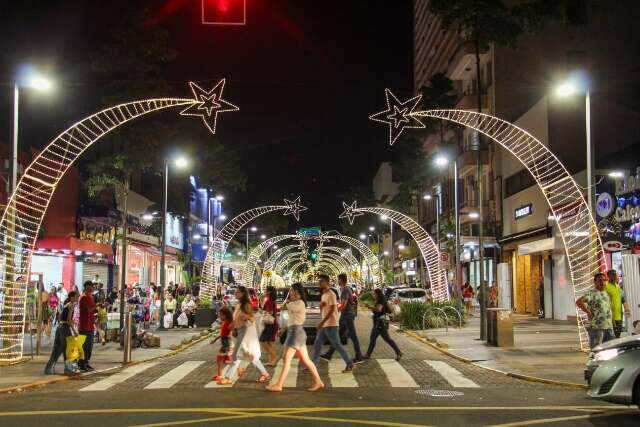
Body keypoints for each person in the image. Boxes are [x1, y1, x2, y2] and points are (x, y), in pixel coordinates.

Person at [266, 282, 324, 392]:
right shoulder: (295, 303)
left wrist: (288, 301)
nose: (290, 293)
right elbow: (289, 316)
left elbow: (283, 307)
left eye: (291, 291)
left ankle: (279, 384)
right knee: (305, 360)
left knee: (286, 359)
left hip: (296, 334)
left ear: (296, 292)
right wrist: (283, 330)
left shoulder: (299, 303)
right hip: (295, 332)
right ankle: (318, 381)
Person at [218, 286, 270, 385]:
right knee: (248, 355)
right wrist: (234, 326)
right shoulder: (239, 304)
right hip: (242, 331)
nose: (235, 294)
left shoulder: (246, 305)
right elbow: (236, 318)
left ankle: (228, 377)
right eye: (235, 292)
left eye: (237, 292)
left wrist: (246, 317)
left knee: (237, 355)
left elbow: (252, 318)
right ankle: (264, 373)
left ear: (243, 294)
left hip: (247, 332)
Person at [312, 274, 354, 372]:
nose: (319, 283)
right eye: (319, 281)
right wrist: (321, 307)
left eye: (321, 281)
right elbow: (324, 310)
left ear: (327, 282)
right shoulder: (324, 294)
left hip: (331, 324)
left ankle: (350, 363)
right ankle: (314, 364)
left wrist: (322, 322)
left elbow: (331, 311)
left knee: (337, 345)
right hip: (325, 324)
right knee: (317, 344)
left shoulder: (331, 294)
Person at [320, 274, 364, 364]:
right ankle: (329, 354)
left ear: (340, 280)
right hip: (346, 316)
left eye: (338, 279)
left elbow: (343, 304)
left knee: (353, 336)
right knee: (339, 335)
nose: (337, 281)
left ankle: (359, 356)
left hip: (347, 316)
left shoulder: (345, 289)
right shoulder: (346, 289)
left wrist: (335, 310)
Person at [45, 291, 80, 374]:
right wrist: (75, 331)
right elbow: (68, 320)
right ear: (72, 297)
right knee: (67, 349)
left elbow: (61, 317)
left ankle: (49, 368)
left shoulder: (67, 304)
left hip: (60, 327)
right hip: (65, 328)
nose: (77, 298)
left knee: (57, 349)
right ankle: (68, 368)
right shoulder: (71, 305)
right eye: (76, 297)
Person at [576, 273, 614, 349]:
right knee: (596, 351)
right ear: (595, 282)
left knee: (609, 351)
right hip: (596, 328)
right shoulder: (591, 293)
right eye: (600, 280)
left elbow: (608, 309)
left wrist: (613, 323)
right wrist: (588, 312)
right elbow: (579, 302)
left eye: (604, 280)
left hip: (608, 327)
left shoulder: (606, 293)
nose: (602, 282)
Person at [363, 288, 402, 360]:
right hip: (379, 323)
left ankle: (368, 355)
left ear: (377, 294)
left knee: (377, 339)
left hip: (380, 323)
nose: (373, 295)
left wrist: (370, 307)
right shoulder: (382, 299)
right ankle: (398, 352)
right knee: (380, 339)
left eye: (374, 294)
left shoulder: (381, 300)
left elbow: (379, 309)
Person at [78, 281, 96, 371]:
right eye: (90, 287)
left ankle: (86, 362)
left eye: (92, 287)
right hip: (84, 326)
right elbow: (89, 310)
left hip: (90, 325)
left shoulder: (91, 297)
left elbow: (92, 311)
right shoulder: (83, 298)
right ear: (86, 288)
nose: (92, 288)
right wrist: (96, 307)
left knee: (89, 346)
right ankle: (82, 363)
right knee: (84, 346)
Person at [605, 270, 629, 338]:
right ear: (608, 276)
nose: (615, 276)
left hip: (619, 315)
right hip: (609, 316)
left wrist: (627, 309)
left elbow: (623, 299)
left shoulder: (618, 287)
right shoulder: (605, 286)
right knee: (609, 336)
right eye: (613, 275)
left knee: (617, 335)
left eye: (615, 275)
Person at [212, 306, 234, 382]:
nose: (219, 316)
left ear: (226, 315)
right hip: (225, 343)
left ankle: (223, 375)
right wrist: (215, 339)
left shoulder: (228, 322)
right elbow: (222, 334)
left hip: (226, 343)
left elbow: (230, 333)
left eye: (221, 315)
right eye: (219, 315)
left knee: (221, 359)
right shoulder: (225, 322)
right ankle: (220, 375)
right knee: (220, 359)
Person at [259, 286, 279, 366]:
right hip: (271, 324)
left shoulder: (270, 301)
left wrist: (264, 312)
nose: (264, 291)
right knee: (269, 342)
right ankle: (272, 360)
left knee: (263, 341)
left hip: (270, 325)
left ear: (269, 292)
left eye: (265, 290)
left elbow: (269, 312)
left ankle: (274, 358)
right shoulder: (270, 301)